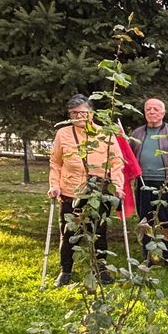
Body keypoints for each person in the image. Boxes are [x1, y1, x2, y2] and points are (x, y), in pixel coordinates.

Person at [48, 94, 124, 286]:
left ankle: (101, 269)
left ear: (91, 113)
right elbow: (56, 163)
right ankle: (65, 271)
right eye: (73, 113)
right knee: (69, 234)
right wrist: (54, 186)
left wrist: (118, 186)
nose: (78, 116)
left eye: (82, 112)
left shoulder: (105, 133)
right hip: (70, 192)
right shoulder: (62, 134)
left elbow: (116, 162)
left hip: (98, 193)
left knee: (99, 232)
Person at [130, 98, 168, 271]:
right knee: (145, 221)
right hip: (143, 184)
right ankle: (148, 257)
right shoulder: (137, 134)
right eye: (148, 109)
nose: (152, 112)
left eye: (156, 109)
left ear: (163, 112)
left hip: (165, 184)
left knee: (166, 221)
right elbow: (129, 158)